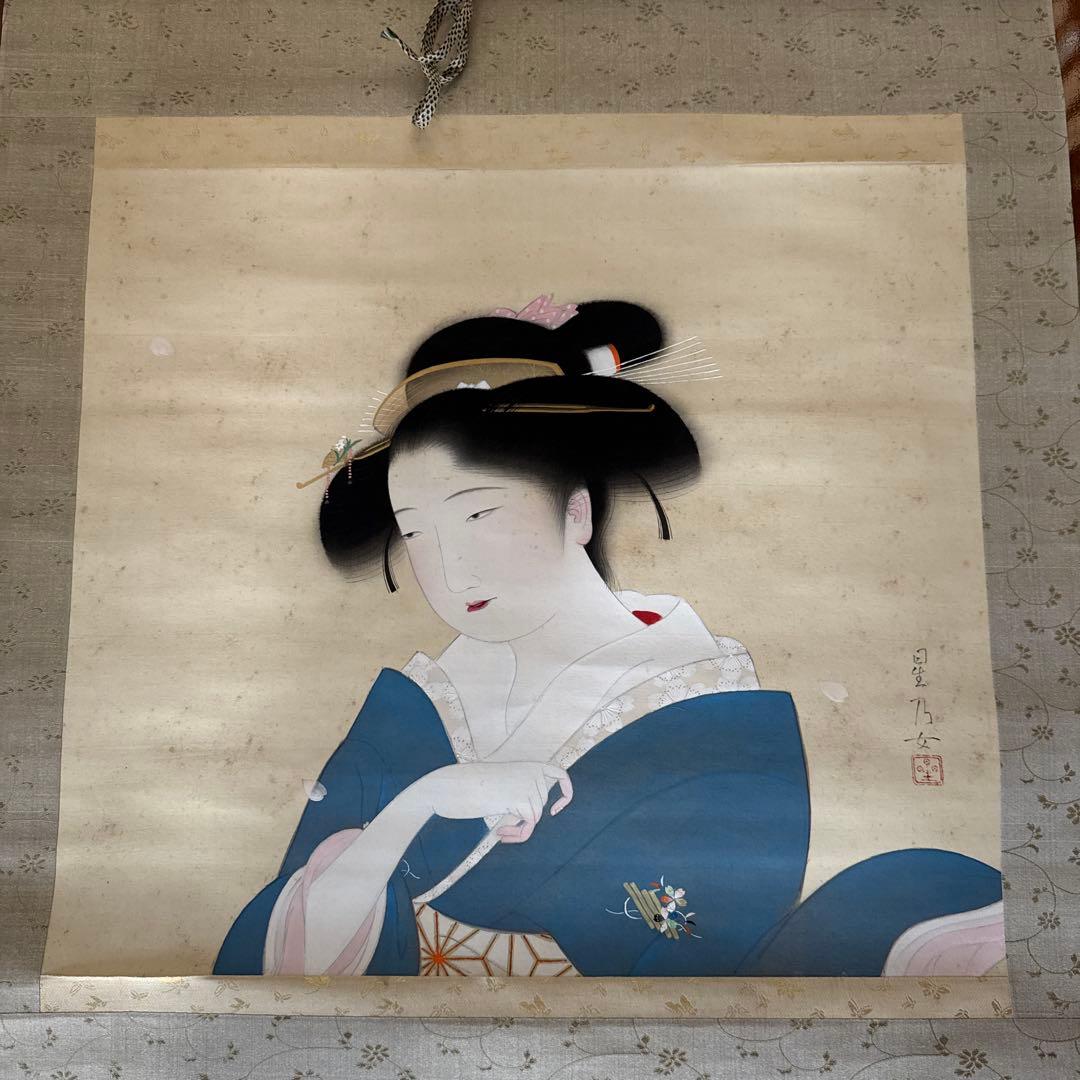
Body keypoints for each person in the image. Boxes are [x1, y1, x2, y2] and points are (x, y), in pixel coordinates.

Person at [214, 297, 1005, 978]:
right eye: (417, 533)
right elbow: (279, 962)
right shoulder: (416, 709)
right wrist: (421, 802)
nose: (450, 571)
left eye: (479, 514)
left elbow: (697, 954)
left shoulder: (708, 717)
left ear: (578, 512)